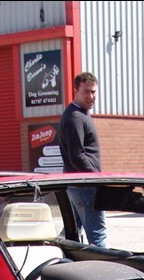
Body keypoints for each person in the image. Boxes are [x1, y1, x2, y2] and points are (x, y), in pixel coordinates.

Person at [59, 72, 106, 247]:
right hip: (85, 187)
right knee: (98, 238)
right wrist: (98, 179)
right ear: (76, 91)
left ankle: (63, 264)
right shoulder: (75, 118)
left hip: (78, 186)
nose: (91, 96)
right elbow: (77, 156)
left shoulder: (80, 115)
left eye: (94, 92)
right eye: (86, 92)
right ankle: (106, 272)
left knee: (71, 235)